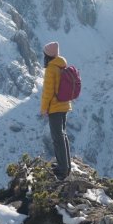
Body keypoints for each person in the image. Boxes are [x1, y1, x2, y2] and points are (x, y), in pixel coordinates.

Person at [41, 41, 72, 180]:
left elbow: (48, 92)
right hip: (64, 105)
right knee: (63, 136)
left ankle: (62, 169)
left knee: (57, 138)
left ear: (48, 56)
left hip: (55, 108)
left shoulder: (50, 69)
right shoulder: (62, 65)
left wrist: (43, 109)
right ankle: (66, 165)